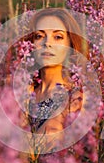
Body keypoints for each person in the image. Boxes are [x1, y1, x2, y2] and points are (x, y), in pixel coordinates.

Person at [20, 8, 90, 152]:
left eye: (58, 37)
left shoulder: (76, 98)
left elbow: (36, 153)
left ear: (70, 45)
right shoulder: (25, 91)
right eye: (39, 36)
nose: (47, 43)